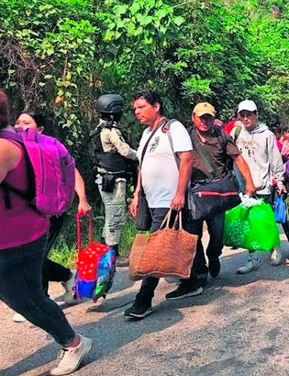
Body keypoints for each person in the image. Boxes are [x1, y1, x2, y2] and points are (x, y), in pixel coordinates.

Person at [0, 90, 93, 375]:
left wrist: (84, 199)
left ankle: (74, 342)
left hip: (19, 239)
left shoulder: (4, 147)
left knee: (27, 300)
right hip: (15, 235)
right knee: (20, 296)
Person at [126, 89, 193, 320]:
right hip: (150, 199)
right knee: (175, 240)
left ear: (156, 106)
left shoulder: (173, 128)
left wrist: (179, 193)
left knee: (155, 250)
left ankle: (143, 301)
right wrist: (136, 194)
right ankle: (194, 278)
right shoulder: (146, 134)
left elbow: (187, 159)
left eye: (141, 107)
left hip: (168, 199)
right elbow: (142, 166)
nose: (136, 112)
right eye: (135, 108)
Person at [13, 111, 90, 312]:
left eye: (26, 123)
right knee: (30, 257)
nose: (20, 125)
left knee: (35, 257)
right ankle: (66, 277)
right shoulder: (14, 148)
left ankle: (43, 298)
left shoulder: (50, 147)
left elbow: (72, 170)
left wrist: (82, 199)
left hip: (51, 211)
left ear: (39, 129)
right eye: (18, 121)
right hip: (25, 213)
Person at [185, 102, 256, 289]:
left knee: (216, 234)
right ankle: (200, 271)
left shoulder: (221, 136)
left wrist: (249, 182)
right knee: (193, 235)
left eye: (208, 117)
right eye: (201, 117)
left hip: (216, 193)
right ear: (193, 117)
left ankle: (214, 255)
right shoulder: (185, 136)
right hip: (193, 193)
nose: (204, 121)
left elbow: (238, 159)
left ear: (213, 118)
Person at [231, 100, 285, 274]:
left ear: (256, 115)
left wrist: (280, 180)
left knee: (266, 221)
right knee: (248, 224)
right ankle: (252, 258)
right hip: (243, 186)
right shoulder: (236, 132)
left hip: (262, 185)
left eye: (249, 115)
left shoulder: (267, 135)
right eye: (243, 115)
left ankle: (274, 248)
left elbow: (275, 159)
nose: (246, 118)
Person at [90, 94, 138, 267]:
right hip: (114, 180)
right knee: (115, 216)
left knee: (111, 215)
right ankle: (113, 255)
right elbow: (125, 151)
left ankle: (105, 252)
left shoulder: (98, 129)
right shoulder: (111, 131)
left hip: (104, 178)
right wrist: (140, 155)